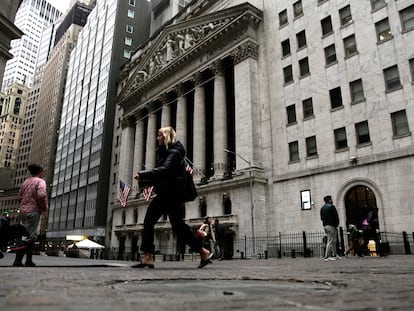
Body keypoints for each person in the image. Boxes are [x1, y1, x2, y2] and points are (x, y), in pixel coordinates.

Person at [133, 126, 213, 268]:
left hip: (171, 194)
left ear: (166, 137)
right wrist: (144, 181)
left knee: (153, 222)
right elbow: (162, 175)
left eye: (159, 135)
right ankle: (202, 251)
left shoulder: (174, 153)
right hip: (168, 193)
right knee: (177, 226)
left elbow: (165, 170)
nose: (157, 138)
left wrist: (144, 174)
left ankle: (147, 256)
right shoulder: (166, 153)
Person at [13, 163, 48, 267]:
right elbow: (41, 195)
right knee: (29, 236)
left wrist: (24, 205)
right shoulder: (40, 181)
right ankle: (18, 260)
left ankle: (29, 260)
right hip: (33, 211)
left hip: (23, 212)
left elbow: (19, 197)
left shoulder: (26, 182)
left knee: (28, 235)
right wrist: (44, 207)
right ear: (40, 172)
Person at [320, 195, 340, 261]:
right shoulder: (331, 207)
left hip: (325, 225)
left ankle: (335, 255)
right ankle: (327, 256)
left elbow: (321, 218)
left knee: (333, 240)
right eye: (331, 199)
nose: (332, 200)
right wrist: (336, 224)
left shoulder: (322, 208)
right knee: (331, 241)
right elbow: (335, 216)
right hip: (332, 225)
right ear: (329, 200)